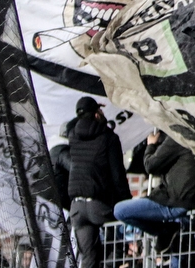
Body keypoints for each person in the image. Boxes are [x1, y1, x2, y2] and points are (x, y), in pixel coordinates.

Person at [114, 132, 195, 253]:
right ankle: (168, 233)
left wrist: (151, 145)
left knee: (120, 210)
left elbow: (150, 165)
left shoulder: (179, 138)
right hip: (194, 205)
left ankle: (165, 231)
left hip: (174, 202)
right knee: (178, 252)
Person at [67, 96, 131, 268]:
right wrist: (126, 202)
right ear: (96, 115)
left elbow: (72, 123)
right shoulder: (109, 138)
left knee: (88, 258)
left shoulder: (73, 136)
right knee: (116, 249)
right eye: (100, 111)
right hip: (100, 205)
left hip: (77, 209)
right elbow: (118, 175)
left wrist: (86, 110)